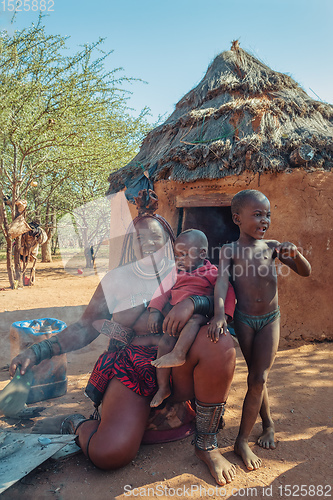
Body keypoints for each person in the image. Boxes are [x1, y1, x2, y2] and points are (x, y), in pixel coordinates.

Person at [9, 190, 237, 486]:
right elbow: (84, 328)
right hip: (133, 367)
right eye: (139, 239)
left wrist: (196, 303)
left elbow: (225, 302)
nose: (148, 245)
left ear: (169, 240)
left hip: (177, 366)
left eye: (156, 238)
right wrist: (36, 352)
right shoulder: (116, 281)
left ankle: (206, 443)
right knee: (110, 453)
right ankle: (77, 424)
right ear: (130, 243)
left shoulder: (188, 269)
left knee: (219, 342)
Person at [208, 189, 311, 471]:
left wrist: (296, 255)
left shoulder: (273, 247)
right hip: (243, 320)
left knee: (259, 377)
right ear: (237, 218)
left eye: (267, 215)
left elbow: (305, 271)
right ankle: (268, 424)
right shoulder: (230, 250)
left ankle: (241, 440)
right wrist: (219, 315)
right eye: (257, 214)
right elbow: (221, 284)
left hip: (269, 321)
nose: (264, 220)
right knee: (257, 377)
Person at [148, 228, 236, 408]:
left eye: (184, 254)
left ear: (202, 253)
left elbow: (227, 293)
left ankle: (179, 353)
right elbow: (162, 292)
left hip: (200, 315)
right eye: (176, 255)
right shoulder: (175, 273)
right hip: (175, 319)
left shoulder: (212, 272)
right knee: (165, 343)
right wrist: (154, 311)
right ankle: (163, 387)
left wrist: (224, 316)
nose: (179, 259)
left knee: (194, 320)